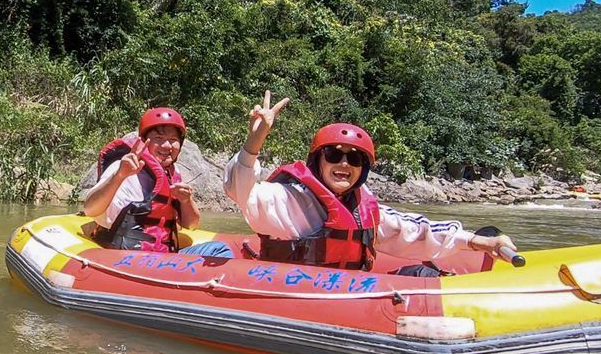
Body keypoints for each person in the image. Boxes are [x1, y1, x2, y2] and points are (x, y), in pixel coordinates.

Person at [223, 91, 517, 274]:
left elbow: (413, 232)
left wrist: (478, 241)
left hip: (349, 293)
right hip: (298, 294)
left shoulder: (363, 208)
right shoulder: (289, 200)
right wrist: (254, 141)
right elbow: (241, 192)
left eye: (354, 160)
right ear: (318, 160)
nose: (343, 164)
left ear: (362, 169)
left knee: (421, 273)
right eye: (334, 154)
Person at [84, 107, 202, 253]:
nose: (167, 146)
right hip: (126, 255)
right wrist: (120, 176)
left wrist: (186, 201)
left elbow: (192, 225)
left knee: (220, 249)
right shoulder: (123, 167)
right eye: (159, 138)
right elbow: (90, 209)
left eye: (173, 140)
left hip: (163, 255)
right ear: (144, 141)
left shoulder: (172, 174)